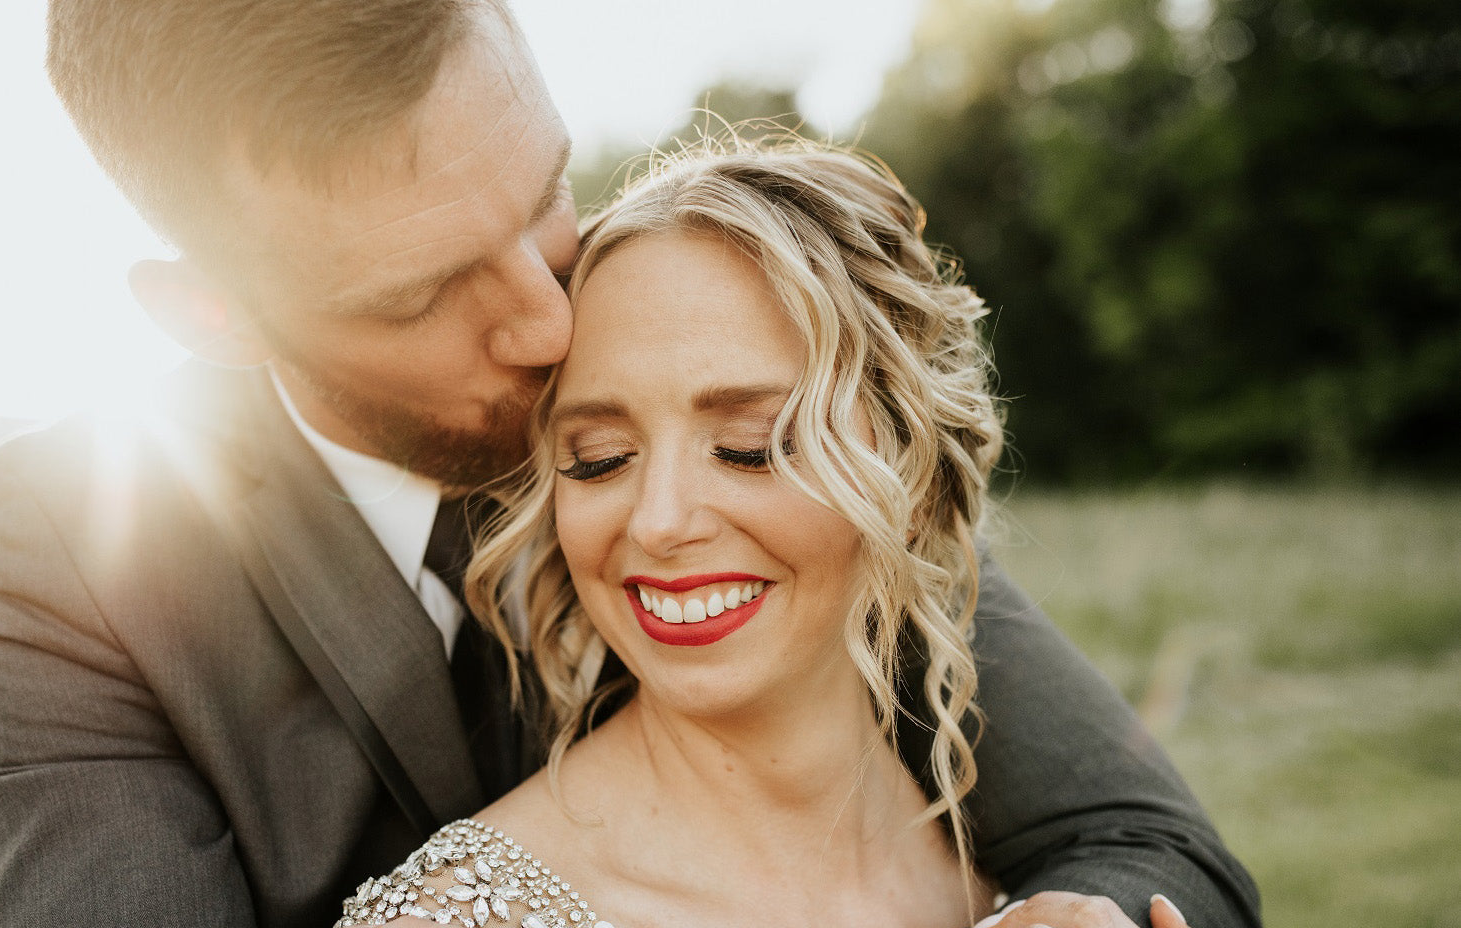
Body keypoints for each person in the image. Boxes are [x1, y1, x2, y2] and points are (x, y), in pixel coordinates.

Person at [0, 1, 1258, 926]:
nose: (550, 323)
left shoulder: (687, 344)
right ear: (212, 314)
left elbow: (1140, 839)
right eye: (424, 294)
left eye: (541, 198)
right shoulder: (74, 545)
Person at [332, 141, 1219, 928]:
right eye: (599, 458)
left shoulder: (1029, 884)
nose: (661, 520)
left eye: (751, 448)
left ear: (907, 474)